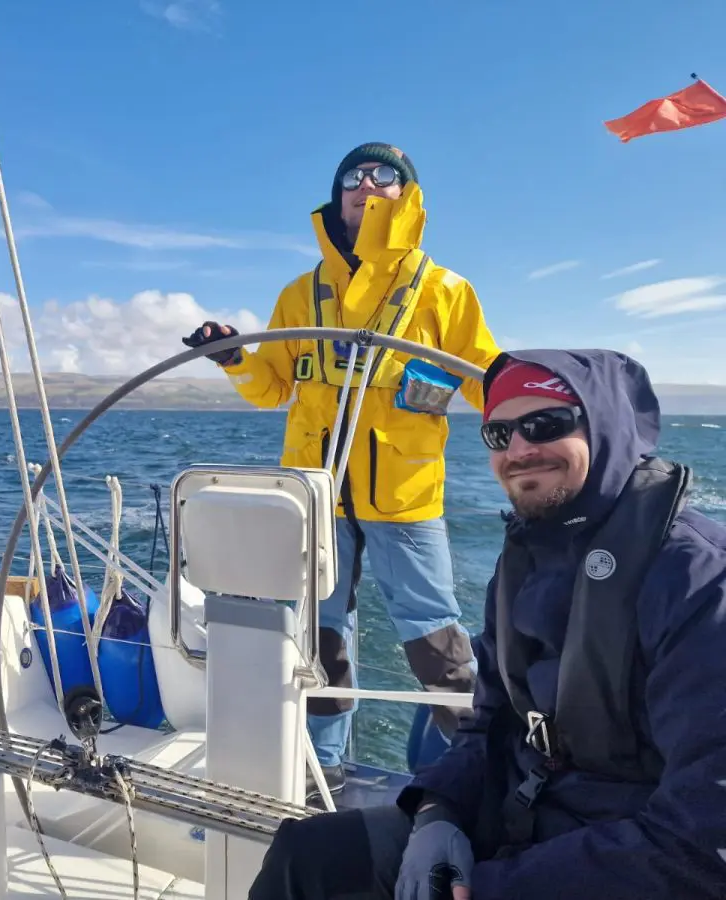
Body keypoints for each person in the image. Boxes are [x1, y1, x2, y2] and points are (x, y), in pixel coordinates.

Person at [247, 349, 726, 900]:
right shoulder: (526, 556)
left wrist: (495, 886)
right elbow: (489, 721)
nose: (519, 450)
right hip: (520, 817)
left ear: (605, 426)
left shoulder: (698, 581)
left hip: (626, 857)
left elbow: (704, 843)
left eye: (545, 424)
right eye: (499, 434)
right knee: (305, 856)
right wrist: (437, 811)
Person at [183, 142, 501, 792]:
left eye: (385, 175)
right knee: (321, 637)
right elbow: (273, 387)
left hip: (404, 494)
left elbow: (484, 376)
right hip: (314, 494)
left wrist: (534, 404)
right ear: (338, 195)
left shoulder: (445, 291)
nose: (367, 184)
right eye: (354, 175)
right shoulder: (300, 294)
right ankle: (321, 767)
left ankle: (481, 770)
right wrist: (235, 358)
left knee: (435, 636)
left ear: (407, 194)